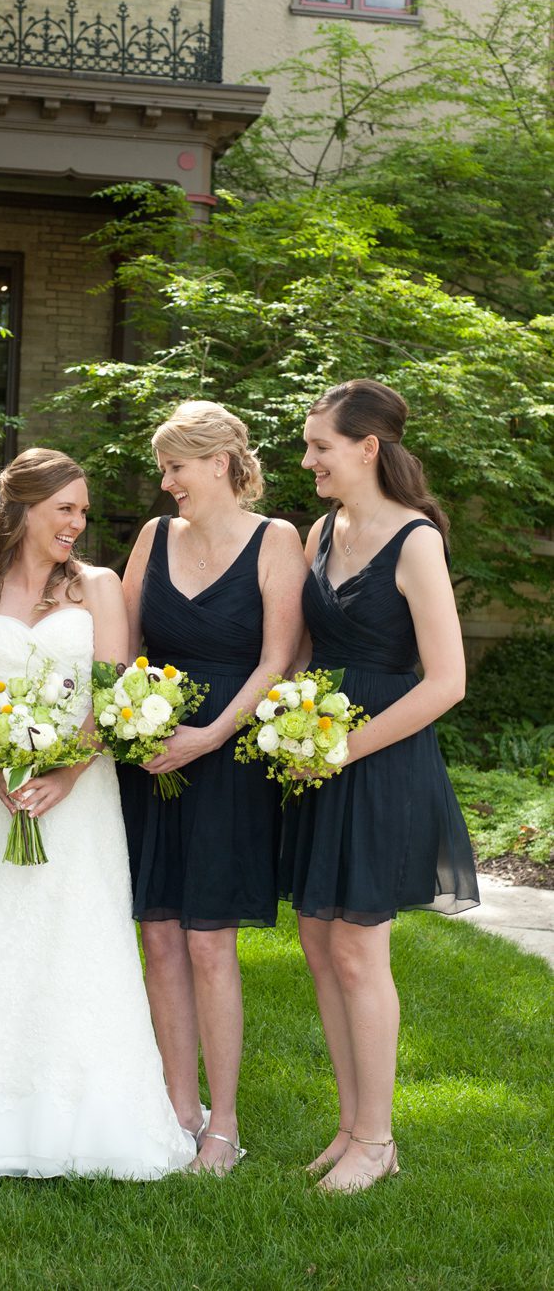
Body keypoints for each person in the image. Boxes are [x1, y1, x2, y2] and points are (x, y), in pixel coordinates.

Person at [0, 448, 195, 1180]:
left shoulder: (99, 587)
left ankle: (95, 1120)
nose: (77, 523)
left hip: (81, 795)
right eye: (65, 508)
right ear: (23, 509)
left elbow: (112, 695)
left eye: (83, 511)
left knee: (82, 939)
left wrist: (64, 773)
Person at [280, 378, 479, 1193]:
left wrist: (344, 749)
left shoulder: (416, 541)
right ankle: (349, 1124)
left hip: (382, 759)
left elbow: (447, 682)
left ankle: (377, 1139)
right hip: (317, 757)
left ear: (367, 448)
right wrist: (287, 726)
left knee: (359, 951)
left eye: (320, 446)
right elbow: (302, 650)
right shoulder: (322, 530)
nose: (308, 461)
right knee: (317, 941)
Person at [118, 401, 309, 1175]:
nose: (166, 483)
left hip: (228, 760)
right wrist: (134, 723)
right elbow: (123, 644)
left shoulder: (276, 540)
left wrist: (209, 735)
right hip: (151, 756)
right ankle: (178, 1109)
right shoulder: (153, 537)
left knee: (208, 941)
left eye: (176, 467)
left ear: (220, 463)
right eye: (163, 469)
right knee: (159, 935)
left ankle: (223, 1125)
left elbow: (277, 660)